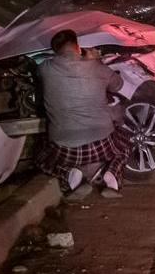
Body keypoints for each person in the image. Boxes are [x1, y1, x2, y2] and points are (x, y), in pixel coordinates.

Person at [36, 29, 136, 197]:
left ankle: (70, 175)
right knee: (126, 143)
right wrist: (95, 61)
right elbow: (118, 85)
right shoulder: (96, 66)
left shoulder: (44, 69)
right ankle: (111, 175)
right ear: (78, 46)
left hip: (65, 147)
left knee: (41, 157)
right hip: (101, 143)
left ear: (55, 51)